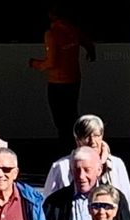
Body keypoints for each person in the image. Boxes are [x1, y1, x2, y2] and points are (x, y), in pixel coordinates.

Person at [29, 9, 96, 146]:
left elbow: (51, 62)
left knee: (60, 119)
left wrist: (34, 64)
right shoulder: (73, 30)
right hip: (74, 79)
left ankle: (65, 146)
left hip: (57, 82)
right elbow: (88, 43)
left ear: (51, 15)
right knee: (71, 114)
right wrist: (91, 52)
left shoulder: (52, 34)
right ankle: (76, 143)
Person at [43, 114, 130, 210]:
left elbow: (127, 202)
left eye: (96, 135)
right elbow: (47, 204)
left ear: (102, 136)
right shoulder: (60, 167)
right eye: (86, 136)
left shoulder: (116, 164)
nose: (92, 141)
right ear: (77, 140)